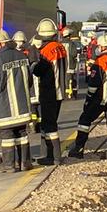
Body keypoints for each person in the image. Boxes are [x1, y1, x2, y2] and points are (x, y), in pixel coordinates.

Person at [0, 29, 34, 173]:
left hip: (5, 108)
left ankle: (9, 165)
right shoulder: (22, 56)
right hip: (22, 106)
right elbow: (29, 81)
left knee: (7, 136)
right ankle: (25, 163)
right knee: (22, 134)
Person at [68, 33, 107, 161]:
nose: (97, 48)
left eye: (99, 46)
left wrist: (88, 99)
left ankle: (78, 149)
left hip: (99, 99)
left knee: (84, 120)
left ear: (104, 47)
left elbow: (93, 85)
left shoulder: (100, 62)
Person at [30, 19, 68, 165]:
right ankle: (48, 155)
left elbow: (38, 71)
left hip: (49, 92)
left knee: (49, 125)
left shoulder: (45, 51)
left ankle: (55, 157)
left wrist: (34, 61)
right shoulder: (61, 47)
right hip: (59, 92)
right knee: (49, 123)